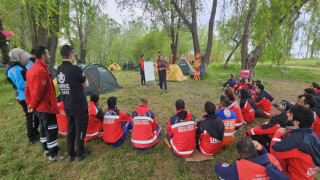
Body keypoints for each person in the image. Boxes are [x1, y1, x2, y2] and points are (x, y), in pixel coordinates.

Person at [25, 46, 65, 163]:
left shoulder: (31, 69)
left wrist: (30, 104)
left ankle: (46, 150)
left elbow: (27, 89)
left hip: (38, 108)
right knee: (51, 130)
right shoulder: (41, 71)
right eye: (48, 54)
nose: (49, 56)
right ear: (43, 56)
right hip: (45, 107)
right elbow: (38, 92)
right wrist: (31, 105)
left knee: (43, 128)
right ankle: (54, 155)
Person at [57, 45, 90, 162]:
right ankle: (80, 154)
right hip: (79, 106)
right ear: (71, 55)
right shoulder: (76, 69)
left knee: (70, 130)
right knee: (80, 129)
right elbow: (86, 84)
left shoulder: (58, 69)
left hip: (67, 105)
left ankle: (70, 154)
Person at [270, 105, 320, 179]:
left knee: (268, 166)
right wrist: (288, 129)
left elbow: (274, 151)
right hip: (306, 175)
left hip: (292, 177)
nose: (286, 114)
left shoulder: (297, 140)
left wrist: (277, 134)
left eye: (290, 114)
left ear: (296, 122)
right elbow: (296, 129)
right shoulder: (311, 134)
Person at [6, 48, 39, 144]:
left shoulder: (18, 66)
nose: (26, 61)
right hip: (23, 96)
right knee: (30, 116)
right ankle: (32, 137)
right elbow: (20, 84)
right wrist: (33, 84)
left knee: (34, 115)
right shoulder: (14, 69)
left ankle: (34, 132)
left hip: (25, 95)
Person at [214, 139, 286, 180]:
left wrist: (218, 163)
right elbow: (266, 156)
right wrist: (262, 149)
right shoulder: (272, 158)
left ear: (241, 155)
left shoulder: (240, 168)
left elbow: (218, 168)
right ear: (255, 149)